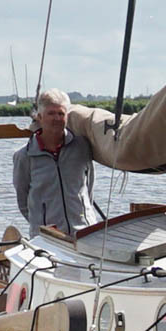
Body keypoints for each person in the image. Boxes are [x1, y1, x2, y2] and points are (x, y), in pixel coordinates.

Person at [13, 89, 99, 237]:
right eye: (51, 113)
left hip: (84, 232)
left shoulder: (82, 147)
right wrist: (40, 223)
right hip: (47, 237)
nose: (56, 118)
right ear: (40, 117)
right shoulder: (24, 156)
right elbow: (23, 200)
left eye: (61, 114)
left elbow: (89, 187)